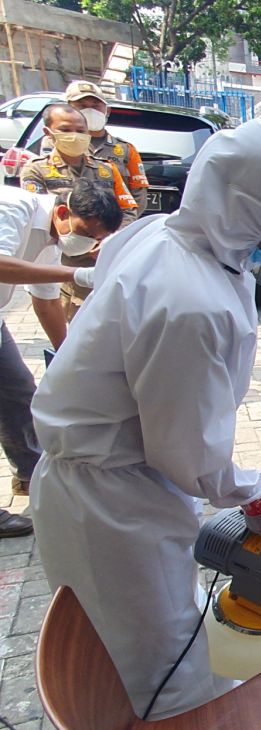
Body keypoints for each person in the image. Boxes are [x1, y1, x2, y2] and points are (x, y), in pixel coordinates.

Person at [30, 119, 261, 719]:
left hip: (122, 486)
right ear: (246, 207)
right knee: (158, 673)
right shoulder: (189, 301)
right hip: (113, 509)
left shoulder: (169, 236)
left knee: (154, 634)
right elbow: (185, 448)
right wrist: (256, 500)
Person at [0, 182, 122, 537]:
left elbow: (47, 302)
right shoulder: (14, 207)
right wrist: (74, 273)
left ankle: (34, 480)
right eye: (87, 234)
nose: (86, 246)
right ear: (64, 212)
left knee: (20, 393)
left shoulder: (51, 241)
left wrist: (70, 359)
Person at [20, 104, 138, 321]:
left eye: (81, 131)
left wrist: (110, 238)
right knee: (73, 323)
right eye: (65, 130)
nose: (74, 136)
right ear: (49, 132)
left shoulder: (106, 169)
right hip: (61, 264)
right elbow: (38, 217)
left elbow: (128, 209)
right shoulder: (36, 170)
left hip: (105, 260)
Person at [66, 80, 150, 215]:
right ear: (68, 109)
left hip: (115, 227)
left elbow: (139, 196)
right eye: (81, 106)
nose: (90, 111)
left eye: (95, 106)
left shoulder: (126, 150)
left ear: (107, 110)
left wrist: (118, 227)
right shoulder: (56, 143)